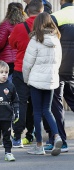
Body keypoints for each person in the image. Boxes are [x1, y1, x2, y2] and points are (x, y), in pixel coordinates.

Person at [22, 12, 62, 156]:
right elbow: (58, 62)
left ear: (37, 24)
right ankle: (56, 136)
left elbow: (27, 64)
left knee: (37, 112)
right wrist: (52, 75)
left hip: (36, 81)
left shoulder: (35, 40)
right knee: (48, 110)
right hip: (51, 80)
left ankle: (39, 145)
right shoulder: (56, 40)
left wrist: (27, 80)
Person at [9, 0, 44, 148]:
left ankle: (17, 136)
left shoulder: (19, 27)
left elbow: (12, 44)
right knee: (38, 104)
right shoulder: (47, 26)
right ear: (42, 11)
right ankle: (33, 134)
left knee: (21, 103)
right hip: (40, 70)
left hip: (21, 69)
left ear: (27, 11)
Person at [44, 0, 74, 153]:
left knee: (56, 104)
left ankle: (62, 142)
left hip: (59, 67)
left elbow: (49, 42)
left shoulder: (55, 17)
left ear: (62, 1)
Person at [0, 2, 26, 83]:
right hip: (23, 59)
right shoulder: (26, 24)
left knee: (6, 85)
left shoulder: (6, 24)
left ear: (8, 11)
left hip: (8, 61)